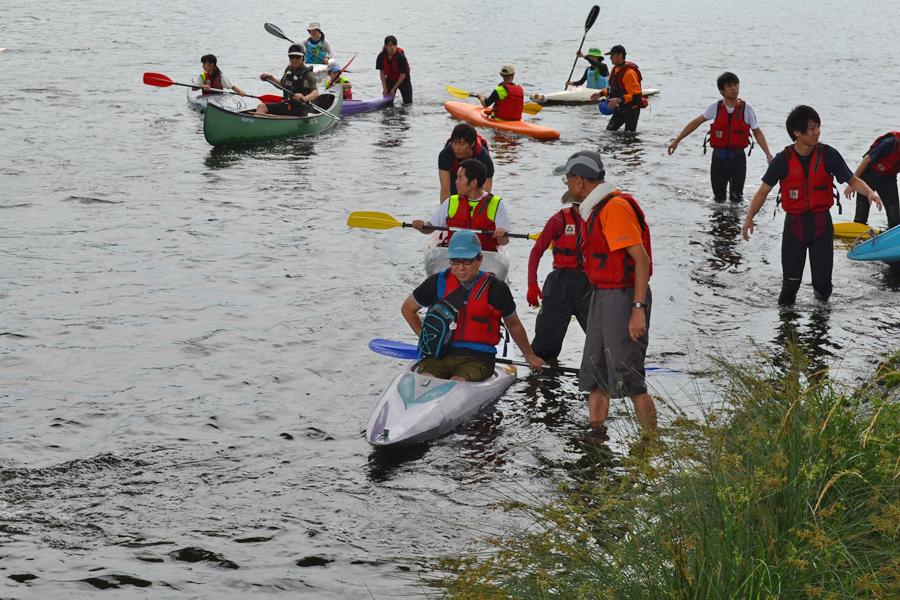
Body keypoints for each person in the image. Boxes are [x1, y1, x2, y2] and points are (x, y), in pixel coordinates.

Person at [553, 150, 656, 434]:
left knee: (631, 378)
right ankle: (595, 438)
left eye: (568, 180)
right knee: (595, 375)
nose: (567, 186)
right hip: (601, 294)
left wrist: (637, 310)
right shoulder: (594, 208)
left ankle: (650, 444)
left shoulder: (614, 208)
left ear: (579, 180)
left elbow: (642, 260)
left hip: (623, 297)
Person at [742, 105, 882, 306]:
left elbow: (852, 180)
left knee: (823, 288)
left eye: (818, 127)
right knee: (790, 287)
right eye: (812, 128)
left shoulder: (829, 155)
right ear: (797, 133)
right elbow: (763, 191)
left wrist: (869, 192)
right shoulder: (782, 160)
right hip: (794, 227)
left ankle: (821, 325)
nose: (817, 132)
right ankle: (784, 332)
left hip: (821, 226)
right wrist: (749, 218)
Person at [401, 230, 543, 382]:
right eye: (455, 261)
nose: (460, 267)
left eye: (467, 261)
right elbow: (408, 310)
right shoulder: (437, 282)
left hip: (479, 359)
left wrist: (530, 356)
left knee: (457, 382)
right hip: (440, 356)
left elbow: (513, 324)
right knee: (425, 380)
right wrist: (428, 339)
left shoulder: (497, 289)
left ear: (480, 258)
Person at [667, 72, 773, 203]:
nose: (734, 88)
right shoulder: (715, 107)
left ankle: (736, 222)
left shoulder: (747, 109)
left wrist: (768, 155)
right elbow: (696, 122)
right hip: (718, 159)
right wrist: (677, 141)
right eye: (729, 85)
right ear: (722, 90)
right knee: (719, 199)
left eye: (736, 84)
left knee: (736, 199)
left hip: (738, 159)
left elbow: (757, 132)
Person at [526, 191, 591, 362]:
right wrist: (532, 284)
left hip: (589, 285)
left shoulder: (599, 220)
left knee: (603, 339)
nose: (581, 209)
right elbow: (537, 251)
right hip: (559, 284)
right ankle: (544, 380)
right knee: (544, 347)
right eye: (577, 205)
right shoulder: (559, 220)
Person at [413, 159, 510, 251]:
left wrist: (501, 236)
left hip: (484, 254)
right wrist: (421, 225)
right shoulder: (452, 201)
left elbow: (504, 241)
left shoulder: (496, 204)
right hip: (456, 254)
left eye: (460, 178)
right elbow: (429, 227)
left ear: (473, 182)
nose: (456, 182)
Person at [846, 132, 900, 230]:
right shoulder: (890, 143)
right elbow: (866, 160)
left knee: (895, 220)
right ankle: (858, 242)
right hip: (868, 176)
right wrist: (853, 183)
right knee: (860, 218)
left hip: (888, 181)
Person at [590, 45, 643, 132]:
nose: (610, 57)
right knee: (610, 130)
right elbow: (614, 89)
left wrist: (618, 100)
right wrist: (601, 93)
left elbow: (636, 95)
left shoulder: (629, 73)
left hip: (632, 109)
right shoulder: (614, 70)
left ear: (620, 55)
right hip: (621, 107)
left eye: (612, 55)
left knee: (629, 135)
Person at [256, 44, 319, 116]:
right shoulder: (289, 69)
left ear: (303, 58)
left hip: (300, 108)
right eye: (292, 57)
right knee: (261, 107)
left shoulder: (308, 74)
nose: (295, 60)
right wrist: (271, 78)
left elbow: (316, 93)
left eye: (298, 57)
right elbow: (281, 85)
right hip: (286, 104)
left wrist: (304, 97)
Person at [438, 123, 494, 202]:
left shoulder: (483, 157)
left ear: (472, 144)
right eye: (454, 143)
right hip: (455, 174)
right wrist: (445, 213)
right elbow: (445, 189)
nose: (457, 148)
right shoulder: (446, 154)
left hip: (475, 177)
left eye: (462, 144)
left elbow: (486, 192)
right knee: (455, 198)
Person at [376, 36, 412, 104]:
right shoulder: (381, 56)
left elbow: (402, 75)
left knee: (408, 103)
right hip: (390, 79)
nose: (392, 47)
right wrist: (385, 88)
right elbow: (382, 73)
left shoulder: (401, 57)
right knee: (387, 104)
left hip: (403, 80)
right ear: (385, 46)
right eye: (390, 45)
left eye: (394, 45)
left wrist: (394, 89)